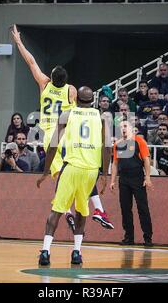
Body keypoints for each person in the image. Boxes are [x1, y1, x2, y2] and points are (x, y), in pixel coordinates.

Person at [11, 25, 113, 230]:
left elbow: (31, 61)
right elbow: (80, 112)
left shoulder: (43, 83)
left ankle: (66, 210)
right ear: (66, 80)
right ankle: (98, 209)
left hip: (50, 135)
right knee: (82, 170)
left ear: (51, 77)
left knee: (62, 175)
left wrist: (19, 42)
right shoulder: (72, 91)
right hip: (70, 133)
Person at [36, 86, 111, 265]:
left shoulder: (67, 115)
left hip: (71, 167)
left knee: (57, 210)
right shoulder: (102, 117)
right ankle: (76, 252)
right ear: (94, 101)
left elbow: (53, 145)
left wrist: (46, 171)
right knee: (81, 210)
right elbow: (107, 148)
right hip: (91, 170)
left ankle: (45, 252)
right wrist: (105, 174)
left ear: (76, 99)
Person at [110, 120, 153, 246]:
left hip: (137, 177)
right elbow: (115, 164)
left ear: (131, 128)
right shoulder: (117, 144)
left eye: (125, 126)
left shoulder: (139, 141)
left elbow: (146, 160)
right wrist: (112, 180)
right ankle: (129, 237)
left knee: (142, 208)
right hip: (123, 179)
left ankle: (148, 237)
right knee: (125, 209)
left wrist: (148, 177)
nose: (122, 129)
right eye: (120, 127)